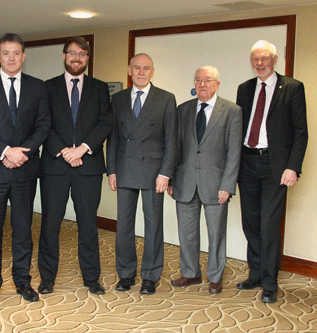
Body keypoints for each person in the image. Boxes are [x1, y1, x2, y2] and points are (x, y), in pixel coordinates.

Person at [0, 33, 50, 306]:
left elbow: (43, 127)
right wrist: (6, 152)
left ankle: (23, 281)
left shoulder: (38, 88)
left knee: (23, 230)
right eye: (6, 52)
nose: (12, 58)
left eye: (16, 52)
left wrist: (21, 154)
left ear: (24, 56)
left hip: (25, 172)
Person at [38, 37, 112, 295]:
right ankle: (47, 277)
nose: (77, 58)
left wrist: (81, 149)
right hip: (55, 167)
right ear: (64, 56)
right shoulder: (48, 87)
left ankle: (92, 278)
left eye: (82, 54)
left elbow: (105, 123)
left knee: (89, 224)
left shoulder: (100, 88)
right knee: (49, 225)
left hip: (88, 167)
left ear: (87, 58)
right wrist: (64, 151)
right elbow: (43, 124)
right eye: (72, 53)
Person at [236, 40, 308, 303]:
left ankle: (269, 283)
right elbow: (239, 128)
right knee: (250, 222)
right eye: (255, 59)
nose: (259, 64)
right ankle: (255, 274)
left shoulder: (292, 87)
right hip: (247, 163)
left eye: (264, 59)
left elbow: (301, 132)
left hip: (276, 167)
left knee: (268, 225)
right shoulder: (244, 88)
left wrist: (293, 167)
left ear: (275, 60)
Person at [167, 66, 242, 294]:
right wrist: (171, 178)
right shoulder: (183, 110)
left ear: (217, 84)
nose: (201, 84)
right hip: (185, 182)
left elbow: (234, 152)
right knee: (186, 233)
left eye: (207, 80)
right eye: (198, 80)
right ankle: (190, 273)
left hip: (216, 185)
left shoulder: (231, 111)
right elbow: (175, 147)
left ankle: (215, 277)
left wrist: (228, 185)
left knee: (215, 235)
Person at [106, 53, 176, 294]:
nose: (141, 72)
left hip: (154, 170)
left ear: (152, 72)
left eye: (146, 68)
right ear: (129, 69)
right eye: (137, 68)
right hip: (124, 168)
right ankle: (125, 274)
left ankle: (150, 275)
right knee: (124, 225)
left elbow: (171, 140)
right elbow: (113, 136)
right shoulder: (118, 99)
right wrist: (111, 170)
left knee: (153, 224)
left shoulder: (166, 99)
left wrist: (166, 173)